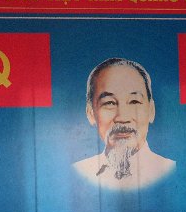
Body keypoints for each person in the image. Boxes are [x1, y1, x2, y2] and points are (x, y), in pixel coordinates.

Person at [73, 57, 175, 190]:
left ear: (151, 111)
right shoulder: (78, 172)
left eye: (134, 101)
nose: (122, 117)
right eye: (109, 102)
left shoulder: (171, 169)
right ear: (90, 113)